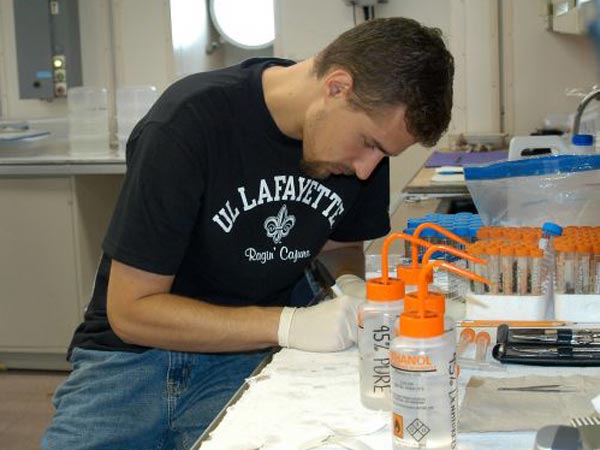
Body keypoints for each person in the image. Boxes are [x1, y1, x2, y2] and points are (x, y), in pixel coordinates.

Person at [42, 17, 454, 450]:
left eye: (384, 153)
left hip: (242, 356)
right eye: (369, 143)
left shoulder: (359, 152)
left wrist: (348, 286)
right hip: (129, 363)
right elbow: (131, 312)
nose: (368, 168)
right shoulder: (188, 124)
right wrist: (290, 324)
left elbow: (341, 246)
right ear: (336, 87)